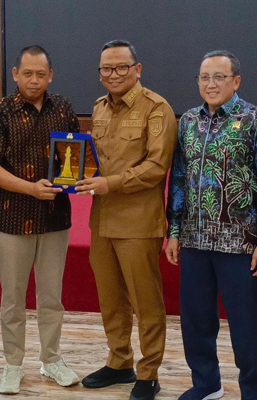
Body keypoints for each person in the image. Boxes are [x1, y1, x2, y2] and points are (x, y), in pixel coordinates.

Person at [165, 51, 257, 400]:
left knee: (246, 324)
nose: (211, 84)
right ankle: (207, 384)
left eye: (219, 77)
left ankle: (251, 391)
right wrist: (174, 231)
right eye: (204, 77)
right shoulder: (188, 121)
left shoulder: (256, 119)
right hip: (194, 241)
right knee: (196, 320)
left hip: (241, 243)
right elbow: (179, 179)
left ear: (236, 81)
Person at [76, 40, 177, 400]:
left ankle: (149, 372)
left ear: (137, 69)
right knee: (111, 299)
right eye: (107, 68)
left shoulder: (156, 108)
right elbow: (97, 159)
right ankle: (119, 361)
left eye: (121, 67)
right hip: (102, 220)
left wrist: (111, 183)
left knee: (145, 301)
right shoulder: (99, 108)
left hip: (138, 222)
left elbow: (156, 166)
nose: (114, 74)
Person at [0, 45, 81, 395]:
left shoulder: (63, 108)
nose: (33, 80)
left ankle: (51, 359)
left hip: (55, 218)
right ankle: (13, 364)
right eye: (27, 73)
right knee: (13, 298)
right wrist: (31, 189)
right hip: (12, 217)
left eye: (40, 74)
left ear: (50, 75)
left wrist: (77, 177)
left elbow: (74, 157)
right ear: (15, 74)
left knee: (52, 296)